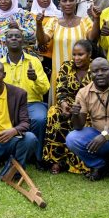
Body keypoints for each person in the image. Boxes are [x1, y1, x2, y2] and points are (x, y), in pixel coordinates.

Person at [43, 39, 93, 174]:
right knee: (54, 113)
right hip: (68, 104)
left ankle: (80, 161)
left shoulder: (95, 68)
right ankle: (57, 160)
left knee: (88, 120)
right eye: (74, 54)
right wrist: (64, 104)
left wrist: (81, 109)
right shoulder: (67, 66)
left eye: (80, 54)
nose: (76, 58)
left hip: (90, 107)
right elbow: (61, 90)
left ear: (89, 54)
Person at [0, 27, 49, 160]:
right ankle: (8, 155)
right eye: (10, 36)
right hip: (8, 105)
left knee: (39, 119)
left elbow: (44, 89)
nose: (14, 38)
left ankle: (38, 158)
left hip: (32, 103)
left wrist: (35, 79)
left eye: (17, 36)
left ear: (23, 41)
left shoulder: (34, 61)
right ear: (5, 42)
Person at [36, 0, 93, 102]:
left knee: (82, 104)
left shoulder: (85, 21)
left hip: (81, 72)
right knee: (60, 107)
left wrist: (96, 20)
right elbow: (42, 40)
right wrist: (38, 24)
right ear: (59, 3)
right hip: (58, 72)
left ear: (75, 2)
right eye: (64, 0)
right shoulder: (54, 22)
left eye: (71, 0)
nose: (68, 3)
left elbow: (92, 37)